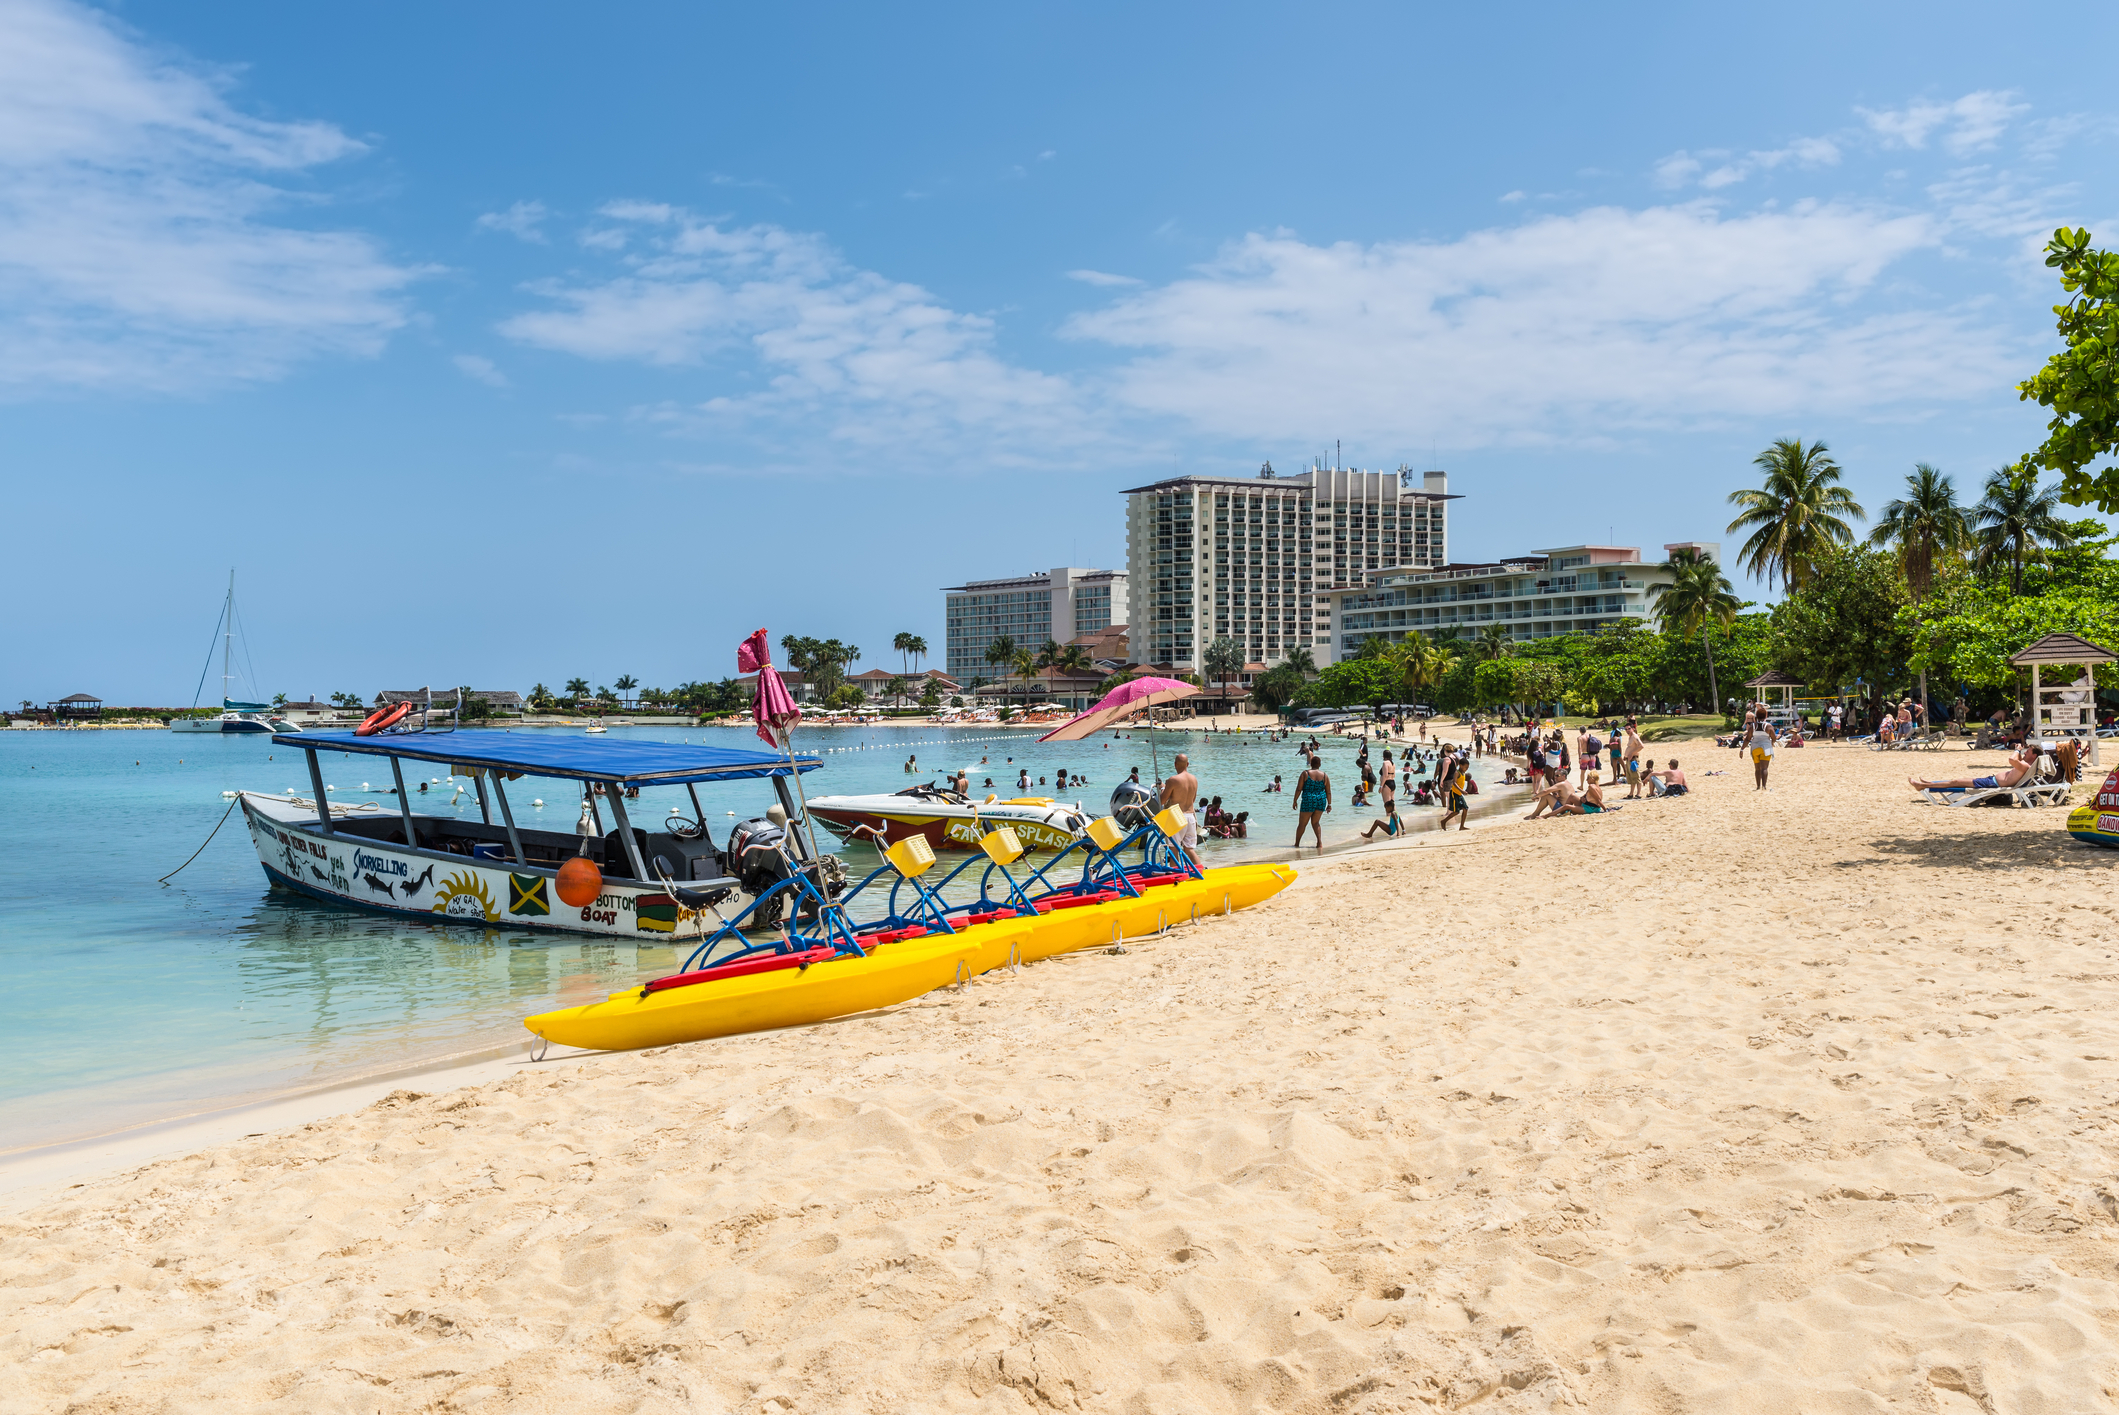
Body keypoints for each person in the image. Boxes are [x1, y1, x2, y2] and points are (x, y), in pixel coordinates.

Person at [1910, 748, 2033, 793]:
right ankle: (1929, 783)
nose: (2025, 752)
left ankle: (1922, 786)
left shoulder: (2025, 766)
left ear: (2034, 756)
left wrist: (2017, 750)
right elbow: (2018, 761)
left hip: (1991, 784)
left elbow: (2011, 760)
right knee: (1956, 781)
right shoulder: (2025, 765)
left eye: (2029, 751)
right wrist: (2020, 753)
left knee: (1956, 782)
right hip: (1991, 781)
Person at [1160, 752, 1200, 864]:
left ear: (1175, 764)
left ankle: (1175, 875)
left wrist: (1163, 788)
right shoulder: (1194, 779)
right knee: (1189, 849)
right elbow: (1192, 800)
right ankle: (1200, 872)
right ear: (1188, 764)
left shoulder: (1173, 780)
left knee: (1173, 849)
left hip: (1177, 817)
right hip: (1191, 817)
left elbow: (1162, 801)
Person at [1294, 754, 1331, 847]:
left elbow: (1299, 789)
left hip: (1308, 799)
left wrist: (1295, 800)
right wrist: (1329, 804)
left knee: (1302, 824)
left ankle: (1297, 844)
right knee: (1316, 822)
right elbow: (1328, 792)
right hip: (1321, 800)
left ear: (1311, 764)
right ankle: (1319, 842)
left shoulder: (1305, 774)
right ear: (1319, 764)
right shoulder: (1325, 776)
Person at [1438, 751, 1471, 831]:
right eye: (1465, 767)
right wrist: (1462, 791)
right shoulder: (1457, 773)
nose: (1466, 769)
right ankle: (1443, 821)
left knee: (1465, 809)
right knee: (1456, 811)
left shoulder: (1463, 773)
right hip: (1455, 794)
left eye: (1467, 768)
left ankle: (1462, 826)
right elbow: (1454, 783)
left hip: (1459, 794)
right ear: (1460, 765)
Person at [1750, 715, 1774, 790]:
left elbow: (1748, 738)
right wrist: (1772, 743)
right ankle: (1764, 786)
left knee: (1757, 769)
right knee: (1764, 768)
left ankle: (1758, 786)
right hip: (1766, 747)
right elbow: (1774, 737)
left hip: (1755, 748)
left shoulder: (1753, 726)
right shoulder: (1768, 726)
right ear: (1765, 718)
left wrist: (1742, 749)